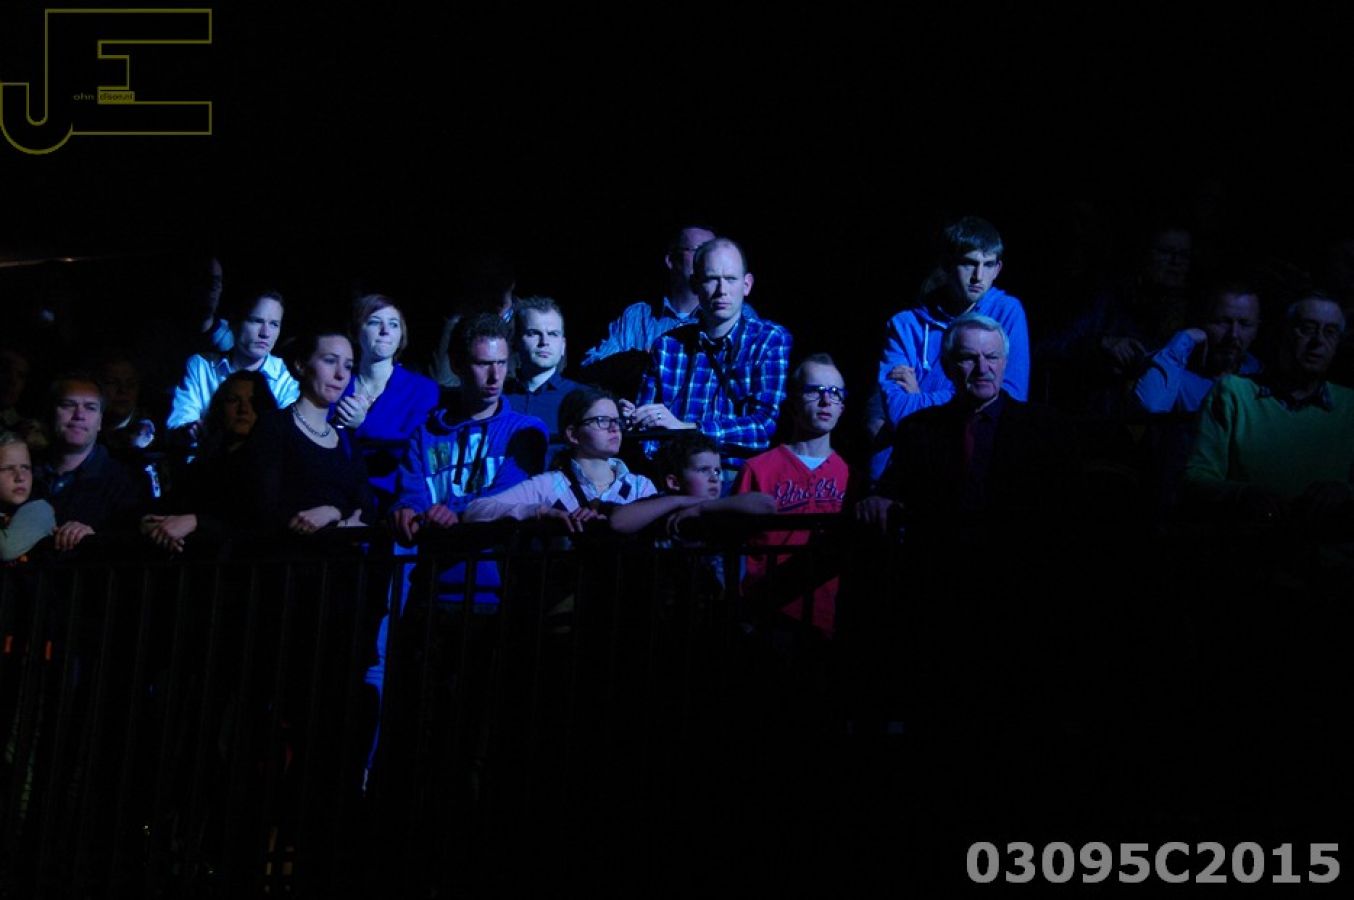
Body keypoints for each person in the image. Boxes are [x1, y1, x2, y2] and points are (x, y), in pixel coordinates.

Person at [871, 216, 1030, 478]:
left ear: (998, 269)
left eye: (988, 265)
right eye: (969, 263)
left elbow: (1010, 400)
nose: (978, 276)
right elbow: (899, 412)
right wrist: (969, 396)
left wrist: (921, 396)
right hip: (904, 464)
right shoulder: (905, 325)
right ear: (947, 264)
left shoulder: (1007, 311)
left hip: (972, 462)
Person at [1184, 295, 1354, 524]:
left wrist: (1345, 492)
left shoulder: (1349, 405)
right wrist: (1243, 494)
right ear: (1283, 333)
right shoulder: (1233, 393)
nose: (1318, 340)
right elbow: (1195, 476)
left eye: (1330, 332)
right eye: (1307, 329)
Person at [633, 238, 791, 475]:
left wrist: (686, 429)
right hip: (674, 475)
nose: (721, 290)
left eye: (730, 279)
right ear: (695, 284)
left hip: (736, 476)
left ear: (747, 285)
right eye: (711, 279)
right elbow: (645, 434)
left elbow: (764, 428)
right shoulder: (666, 346)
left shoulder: (769, 339)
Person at [734, 354, 850, 636]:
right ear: (794, 400)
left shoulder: (851, 475)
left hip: (828, 619)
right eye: (815, 391)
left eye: (835, 393)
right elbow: (735, 545)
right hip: (766, 617)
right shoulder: (758, 468)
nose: (826, 401)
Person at [464, 386, 655, 527]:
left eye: (616, 421)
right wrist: (538, 512)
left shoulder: (639, 486)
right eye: (601, 421)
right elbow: (475, 511)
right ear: (572, 434)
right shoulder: (549, 485)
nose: (614, 428)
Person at [247, 330, 373, 536]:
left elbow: (366, 509)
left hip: (341, 555)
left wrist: (333, 512)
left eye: (348, 366)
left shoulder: (345, 439)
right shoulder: (274, 426)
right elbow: (261, 506)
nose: (341, 375)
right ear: (301, 365)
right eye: (330, 361)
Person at [139, 370, 277, 553]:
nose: (244, 409)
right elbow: (174, 503)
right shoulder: (206, 462)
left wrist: (196, 522)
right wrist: (153, 522)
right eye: (233, 400)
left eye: (253, 401)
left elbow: (259, 522)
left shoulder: (272, 464)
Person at [330, 294, 440, 517]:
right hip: (338, 498)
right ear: (356, 331)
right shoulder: (337, 383)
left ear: (401, 334)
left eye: (393, 324)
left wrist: (363, 425)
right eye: (374, 322)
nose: (385, 331)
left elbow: (415, 448)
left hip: (395, 502)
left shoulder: (421, 389)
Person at [581, 224, 737, 365]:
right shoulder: (637, 316)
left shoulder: (734, 314)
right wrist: (637, 362)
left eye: (712, 252)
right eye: (699, 250)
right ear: (670, 260)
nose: (708, 259)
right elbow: (592, 364)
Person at [32, 375, 147, 552]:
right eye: (68, 405)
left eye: (90, 407)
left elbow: (133, 544)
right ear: (50, 413)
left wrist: (95, 539)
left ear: (100, 420)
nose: (79, 415)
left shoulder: (126, 482)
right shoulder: (22, 470)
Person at [166, 290, 300, 441]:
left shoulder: (287, 375)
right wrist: (190, 431)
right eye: (256, 321)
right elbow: (180, 421)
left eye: (274, 324)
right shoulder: (201, 366)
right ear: (234, 323)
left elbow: (290, 433)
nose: (265, 333)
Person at [1133, 283, 1263, 413]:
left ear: (1257, 328)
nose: (1234, 334)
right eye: (1223, 322)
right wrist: (1185, 338)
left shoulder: (1260, 376)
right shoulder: (1173, 372)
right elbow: (1150, 406)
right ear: (1203, 322)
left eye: (1245, 324)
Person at [501, 296, 582, 460]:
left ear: (563, 345)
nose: (544, 342)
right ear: (515, 342)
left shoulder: (582, 399)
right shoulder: (496, 397)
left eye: (553, 334)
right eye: (533, 333)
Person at [0, 431, 55, 562]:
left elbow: (6, 549)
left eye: (25, 467)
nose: (20, 477)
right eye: (8, 468)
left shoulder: (39, 508)